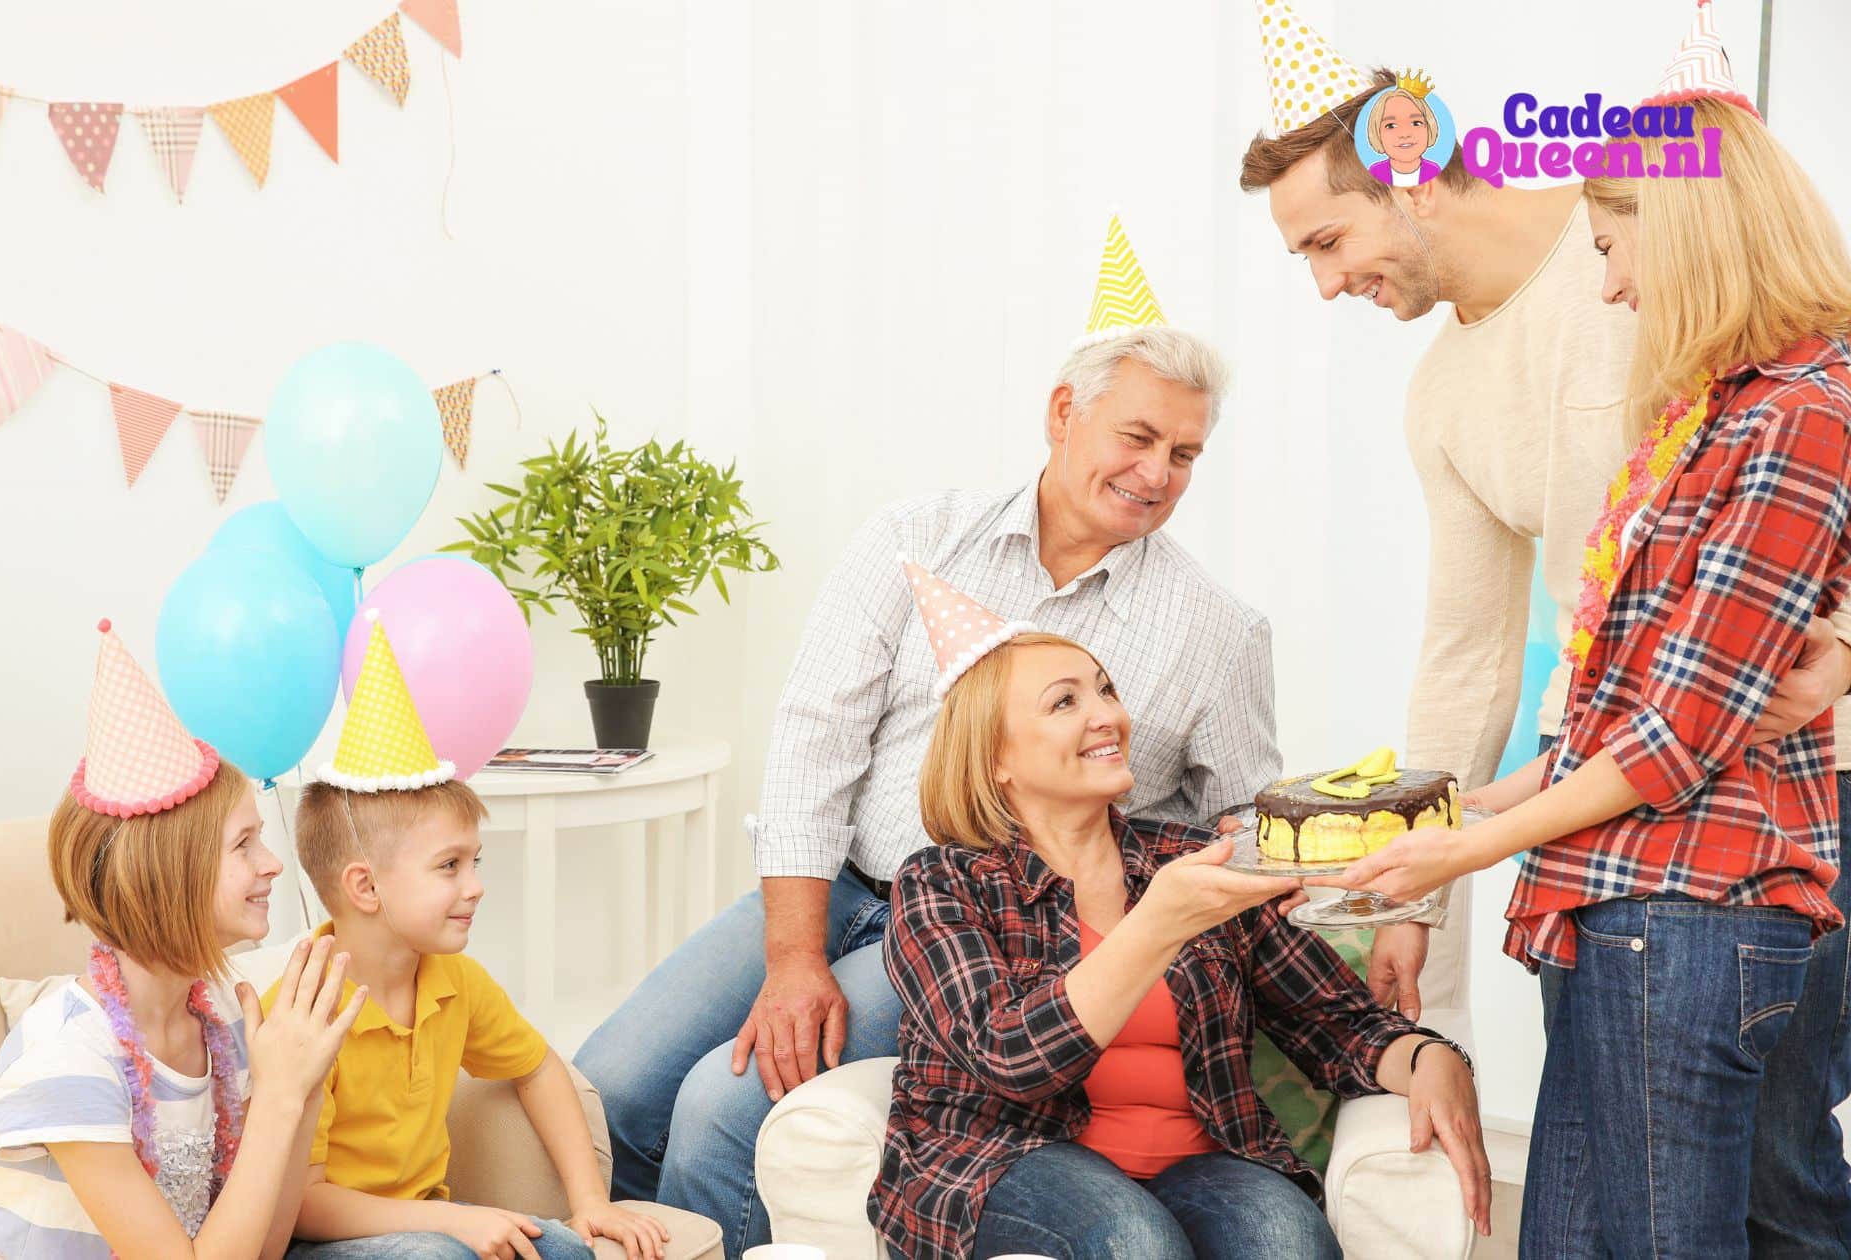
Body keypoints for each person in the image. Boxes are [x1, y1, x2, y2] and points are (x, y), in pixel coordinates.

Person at [576, 218, 1283, 1253]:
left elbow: (1243, 823)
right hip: (842, 882)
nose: (1156, 474)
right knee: (616, 1083)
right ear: (1061, 413)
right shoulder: (913, 538)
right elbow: (814, 740)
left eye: (1183, 454)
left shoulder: (1215, 630)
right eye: (1136, 438)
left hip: (983, 935)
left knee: (714, 1110)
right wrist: (791, 952)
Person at [1316, 64, 1851, 1254]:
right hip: (1602, 868)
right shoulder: (1688, 413)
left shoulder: (1795, 407)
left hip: (1708, 871)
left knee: (1773, 1194)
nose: (1603, 282)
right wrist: (1448, 827)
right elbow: (1588, 691)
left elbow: (1679, 727)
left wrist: (1467, 841)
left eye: (1613, 245)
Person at [1238, 29, 1850, 1019]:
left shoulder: (1646, 227)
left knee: (1771, 1152)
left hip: (1789, 773)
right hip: (1594, 790)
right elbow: (1464, 661)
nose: (1321, 284)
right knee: (1621, 1141)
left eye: (1326, 241)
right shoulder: (1439, 399)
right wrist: (1416, 903)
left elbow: (1816, 410)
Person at [871, 561, 1487, 1260]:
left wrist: (1428, 1057)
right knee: (1137, 1242)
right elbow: (1011, 1057)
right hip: (1006, 1157)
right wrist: (1158, 922)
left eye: (1105, 689)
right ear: (996, 758)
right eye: (1064, 702)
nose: (1107, 714)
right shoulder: (941, 883)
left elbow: (1333, 1020)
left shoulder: (1192, 859)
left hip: (1202, 1160)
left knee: (1287, 1244)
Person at [0, 621, 361, 1259]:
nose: (272, 864)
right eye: (244, 844)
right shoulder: (67, 1054)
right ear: (170, 875)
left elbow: (266, 1247)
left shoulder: (225, 1019)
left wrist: (304, 1085)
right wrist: (280, 1092)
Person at [276, 612, 672, 1260]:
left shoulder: (454, 982)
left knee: (565, 1249)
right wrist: (456, 1225)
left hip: (432, 1228)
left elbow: (539, 1066)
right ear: (365, 888)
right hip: (328, 1242)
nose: (476, 886)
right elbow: (303, 1203)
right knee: (444, 1255)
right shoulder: (305, 1011)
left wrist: (589, 1203)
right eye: (449, 866)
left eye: (474, 863)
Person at [1364, 80, 1441, 186]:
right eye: (1391, 126)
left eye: (1416, 123)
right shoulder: (1375, 172)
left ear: (1429, 127)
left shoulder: (1434, 171)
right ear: (1377, 133)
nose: (1405, 134)